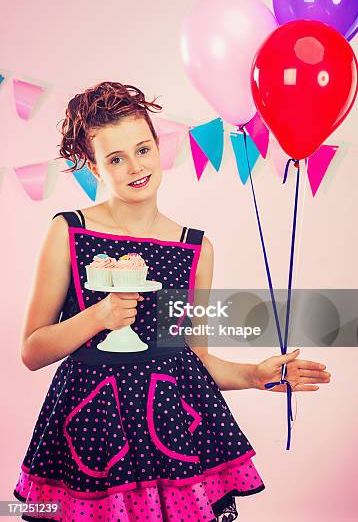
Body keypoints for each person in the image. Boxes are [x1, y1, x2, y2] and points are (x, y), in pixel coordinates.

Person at [13, 81, 331, 521]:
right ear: (92, 165)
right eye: (115, 158)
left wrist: (257, 375)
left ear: (157, 145)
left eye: (142, 149)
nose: (134, 167)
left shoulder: (193, 249)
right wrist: (98, 316)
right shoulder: (69, 231)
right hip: (91, 434)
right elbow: (31, 350)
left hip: (172, 439)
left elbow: (191, 362)